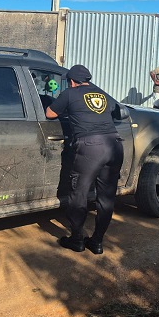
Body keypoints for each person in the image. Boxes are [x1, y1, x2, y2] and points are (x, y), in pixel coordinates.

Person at [46, 64, 125, 255]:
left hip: (90, 147)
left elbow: (50, 113)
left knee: (78, 194)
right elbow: (118, 111)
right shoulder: (102, 94)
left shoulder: (69, 93)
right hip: (114, 145)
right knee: (106, 197)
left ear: (72, 81)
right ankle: (97, 242)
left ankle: (76, 240)